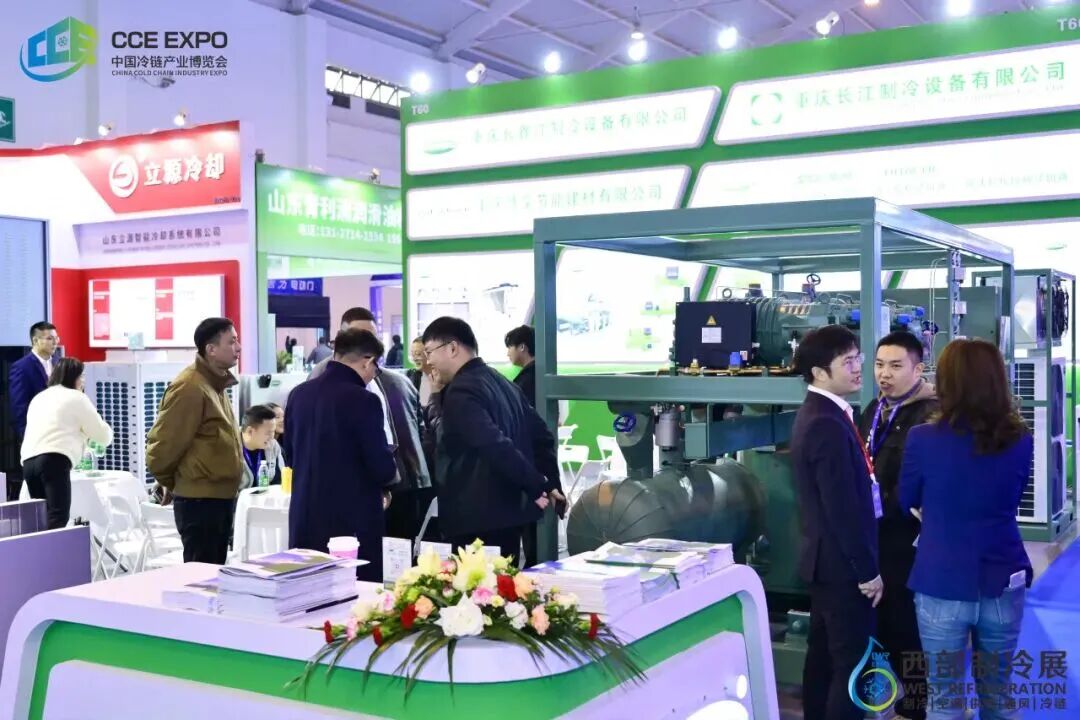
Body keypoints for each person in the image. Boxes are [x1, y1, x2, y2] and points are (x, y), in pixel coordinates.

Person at [900, 339, 1033, 720]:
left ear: (945, 382)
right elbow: (1012, 498)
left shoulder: (922, 439)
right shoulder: (1020, 439)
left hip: (941, 578)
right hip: (1002, 574)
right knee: (998, 694)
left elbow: (906, 498)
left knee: (944, 700)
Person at [790, 324, 881, 720]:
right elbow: (842, 508)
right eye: (847, 362)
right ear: (819, 372)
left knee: (825, 659)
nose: (859, 368)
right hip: (842, 568)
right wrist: (867, 571)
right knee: (853, 665)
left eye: (858, 358)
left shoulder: (825, 413)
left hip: (826, 563)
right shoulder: (825, 423)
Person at [422, 317, 564, 567]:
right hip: (509, 515)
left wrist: (537, 484)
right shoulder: (503, 382)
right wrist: (550, 481)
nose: (428, 361)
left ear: (452, 348)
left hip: (476, 518)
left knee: (477, 588)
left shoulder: (461, 390)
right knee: (503, 586)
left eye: (429, 351)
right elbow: (542, 435)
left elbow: (493, 444)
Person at [856, 331, 937, 720]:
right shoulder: (873, 409)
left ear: (918, 369)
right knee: (881, 622)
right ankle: (883, 702)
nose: (884, 374)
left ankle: (915, 707)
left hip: (911, 538)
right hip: (874, 534)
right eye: (878, 365)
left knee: (908, 626)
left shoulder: (932, 414)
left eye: (895, 366)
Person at [311, 308, 432, 542]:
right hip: (353, 492)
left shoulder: (399, 382)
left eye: (372, 336)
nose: (367, 343)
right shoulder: (320, 378)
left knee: (403, 553)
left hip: (405, 484)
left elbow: (420, 430)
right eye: (359, 335)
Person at [285, 328, 397, 582]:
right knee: (354, 591)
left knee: (306, 588)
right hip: (351, 520)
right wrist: (388, 482)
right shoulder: (364, 400)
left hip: (305, 514)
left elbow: (290, 455)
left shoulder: (298, 395)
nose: (374, 375)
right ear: (368, 361)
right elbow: (380, 465)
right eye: (376, 368)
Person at [146, 317, 244, 564]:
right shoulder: (190, 387)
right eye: (231, 341)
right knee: (201, 577)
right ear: (211, 349)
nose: (238, 347)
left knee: (214, 574)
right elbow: (163, 447)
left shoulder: (213, 384)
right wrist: (172, 482)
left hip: (217, 499)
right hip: (200, 502)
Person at [20, 358, 112, 529]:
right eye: (81, 376)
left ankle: (40, 548)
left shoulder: (39, 398)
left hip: (28, 463)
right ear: (73, 377)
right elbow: (102, 434)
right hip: (53, 459)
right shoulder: (77, 397)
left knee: (39, 520)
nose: (83, 381)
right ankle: (55, 548)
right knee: (57, 517)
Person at [7, 322, 59, 500]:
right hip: (35, 438)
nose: (55, 342)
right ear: (36, 341)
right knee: (39, 492)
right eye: (49, 338)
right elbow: (18, 407)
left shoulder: (59, 363)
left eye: (56, 338)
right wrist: (27, 437)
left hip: (57, 437)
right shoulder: (22, 367)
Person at [239, 404, 284, 489]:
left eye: (273, 431)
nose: (272, 437)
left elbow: (280, 480)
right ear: (250, 431)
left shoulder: (273, 446)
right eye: (268, 433)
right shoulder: (230, 448)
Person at [505, 325, 536, 408]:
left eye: (509, 347)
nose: (508, 354)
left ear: (522, 347)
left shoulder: (528, 378)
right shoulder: (536, 373)